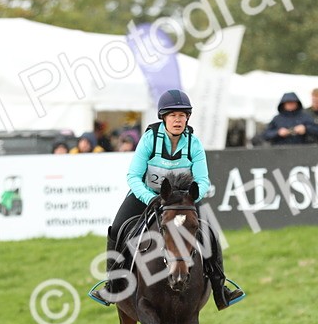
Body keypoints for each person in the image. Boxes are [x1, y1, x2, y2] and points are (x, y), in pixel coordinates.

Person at [88, 89, 244, 310]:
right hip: (147, 196)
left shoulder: (194, 144)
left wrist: (190, 199)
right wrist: (151, 198)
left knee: (210, 232)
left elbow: (203, 181)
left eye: (182, 116)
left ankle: (220, 288)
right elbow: (133, 176)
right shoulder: (150, 139)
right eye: (173, 115)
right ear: (164, 118)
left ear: (187, 118)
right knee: (117, 229)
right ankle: (113, 285)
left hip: (182, 201)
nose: (178, 120)